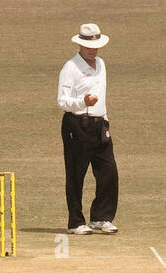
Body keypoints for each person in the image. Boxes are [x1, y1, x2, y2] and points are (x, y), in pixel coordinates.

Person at [58, 23, 119, 235]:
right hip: (77, 125)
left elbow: (102, 95)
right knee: (76, 174)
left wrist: (105, 120)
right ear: (80, 45)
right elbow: (62, 101)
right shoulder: (71, 68)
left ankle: (101, 217)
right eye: (87, 46)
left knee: (109, 172)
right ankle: (76, 222)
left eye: (95, 46)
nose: (92, 50)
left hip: (99, 124)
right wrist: (82, 101)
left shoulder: (101, 64)